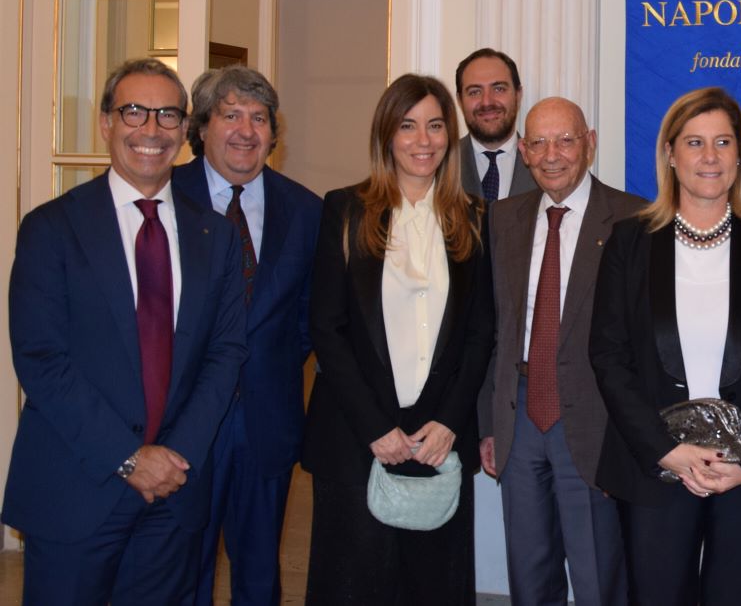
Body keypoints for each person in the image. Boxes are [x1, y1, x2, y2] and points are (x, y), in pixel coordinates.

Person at [4, 58, 247, 603]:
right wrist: (130, 457)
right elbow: (41, 359)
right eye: (134, 111)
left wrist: (175, 456)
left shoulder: (216, 236)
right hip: (76, 487)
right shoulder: (51, 228)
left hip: (175, 494)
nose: (151, 129)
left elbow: (226, 353)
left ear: (184, 130)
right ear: (106, 123)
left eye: (168, 115)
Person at [589, 86, 741, 606]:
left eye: (723, 142)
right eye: (695, 143)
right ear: (670, 155)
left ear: (740, 155)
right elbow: (608, 356)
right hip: (655, 466)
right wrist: (668, 452)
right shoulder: (629, 242)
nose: (710, 156)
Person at [302, 74, 494, 605]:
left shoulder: (475, 218)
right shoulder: (345, 210)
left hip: (437, 437)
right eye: (408, 126)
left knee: (432, 585)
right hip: (357, 434)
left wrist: (449, 421)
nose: (423, 141)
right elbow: (327, 329)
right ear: (387, 135)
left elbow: (480, 332)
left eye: (435, 126)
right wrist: (375, 426)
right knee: (355, 586)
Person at [479, 97, 645, 606]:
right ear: (523, 151)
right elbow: (493, 328)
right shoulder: (502, 219)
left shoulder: (633, 218)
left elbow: (642, 343)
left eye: (566, 140)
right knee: (529, 573)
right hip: (519, 415)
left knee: (598, 575)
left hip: (596, 420)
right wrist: (488, 422)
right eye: (540, 143)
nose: (552, 155)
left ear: (589, 143)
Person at [171, 65, 322, 605]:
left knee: (259, 573)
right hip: (182, 422)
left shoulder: (306, 210)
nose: (246, 130)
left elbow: (309, 316)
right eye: (230, 115)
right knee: (181, 567)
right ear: (202, 127)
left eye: (259, 118)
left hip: (266, 420)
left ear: (273, 134)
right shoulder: (165, 195)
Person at [455, 48, 536, 201]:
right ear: (460, 100)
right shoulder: (441, 164)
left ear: (518, 95)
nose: (487, 102)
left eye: (499, 89)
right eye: (474, 92)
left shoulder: (543, 164)